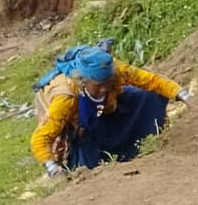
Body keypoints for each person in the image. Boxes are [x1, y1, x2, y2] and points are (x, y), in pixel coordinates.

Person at [29, 43, 181, 173]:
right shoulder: (65, 98)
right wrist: (52, 168)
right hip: (80, 127)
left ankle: (141, 145)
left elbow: (154, 81)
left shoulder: (114, 71)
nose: (103, 89)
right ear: (84, 81)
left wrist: (185, 96)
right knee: (87, 164)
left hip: (107, 110)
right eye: (98, 85)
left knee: (149, 95)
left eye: (107, 84)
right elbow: (40, 138)